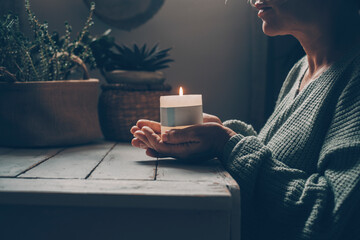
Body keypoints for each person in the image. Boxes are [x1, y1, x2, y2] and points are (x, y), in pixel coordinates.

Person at [130, 0, 360, 239]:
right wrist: (218, 133)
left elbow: (333, 219)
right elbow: (276, 159)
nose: (253, 0)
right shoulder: (302, 69)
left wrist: (226, 143)